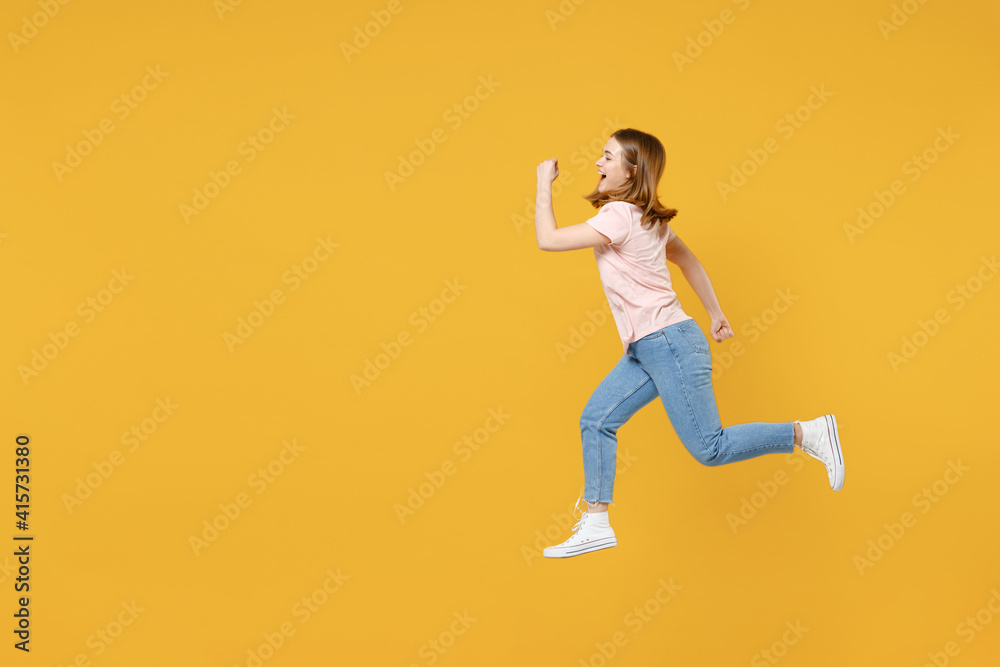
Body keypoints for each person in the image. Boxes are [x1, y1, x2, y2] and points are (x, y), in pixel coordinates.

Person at [533, 128, 844, 559]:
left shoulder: (619, 215)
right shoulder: (649, 220)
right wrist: (715, 314)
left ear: (632, 170)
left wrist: (541, 184)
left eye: (607, 157)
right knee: (597, 419)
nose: (598, 164)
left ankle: (806, 432)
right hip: (652, 347)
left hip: (668, 345)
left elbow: (547, 240)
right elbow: (689, 261)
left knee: (709, 447)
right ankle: (597, 522)